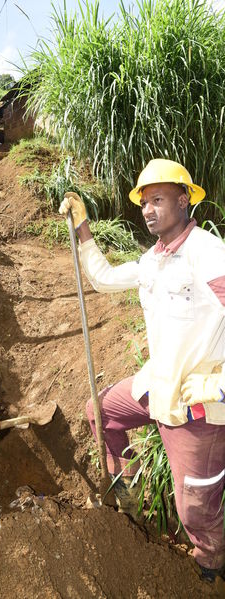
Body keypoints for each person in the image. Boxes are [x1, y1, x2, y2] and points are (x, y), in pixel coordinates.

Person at [59, 158, 225, 582]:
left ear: (184, 200)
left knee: (195, 508)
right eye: (144, 202)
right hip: (157, 384)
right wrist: (82, 227)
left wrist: (221, 384)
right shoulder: (152, 261)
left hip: (198, 401)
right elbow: (103, 278)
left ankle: (210, 566)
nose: (149, 210)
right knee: (101, 413)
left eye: (158, 199)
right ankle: (130, 500)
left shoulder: (209, 253)